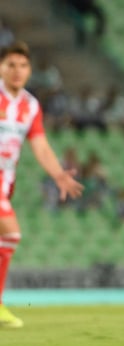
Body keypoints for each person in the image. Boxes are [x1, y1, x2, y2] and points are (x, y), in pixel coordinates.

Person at [0, 42, 84, 328]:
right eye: (10, 64)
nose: (17, 71)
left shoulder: (30, 105)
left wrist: (58, 174)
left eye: (22, 66)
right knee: (11, 232)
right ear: (1, 67)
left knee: (8, 237)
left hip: (5, 182)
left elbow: (41, 146)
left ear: (30, 70)